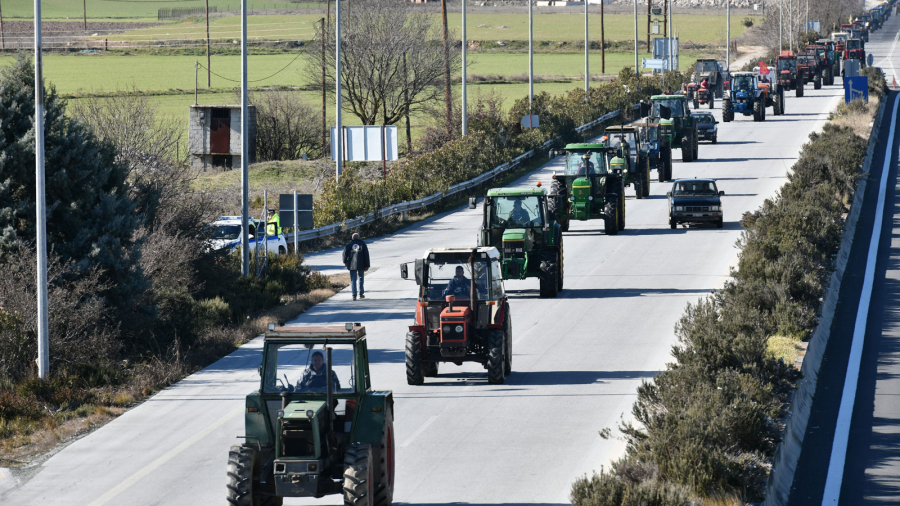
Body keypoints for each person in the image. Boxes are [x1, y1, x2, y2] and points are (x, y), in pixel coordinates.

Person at [343, 233, 370, 301]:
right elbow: (366, 255)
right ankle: (361, 293)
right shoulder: (363, 244)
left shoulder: (349, 244)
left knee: (353, 279)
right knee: (361, 278)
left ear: (352, 238)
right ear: (359, 238)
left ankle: (354, 295)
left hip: (352, 264)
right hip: (361, 264)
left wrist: (345, 261)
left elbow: (344, 254)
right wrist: (367, 265)